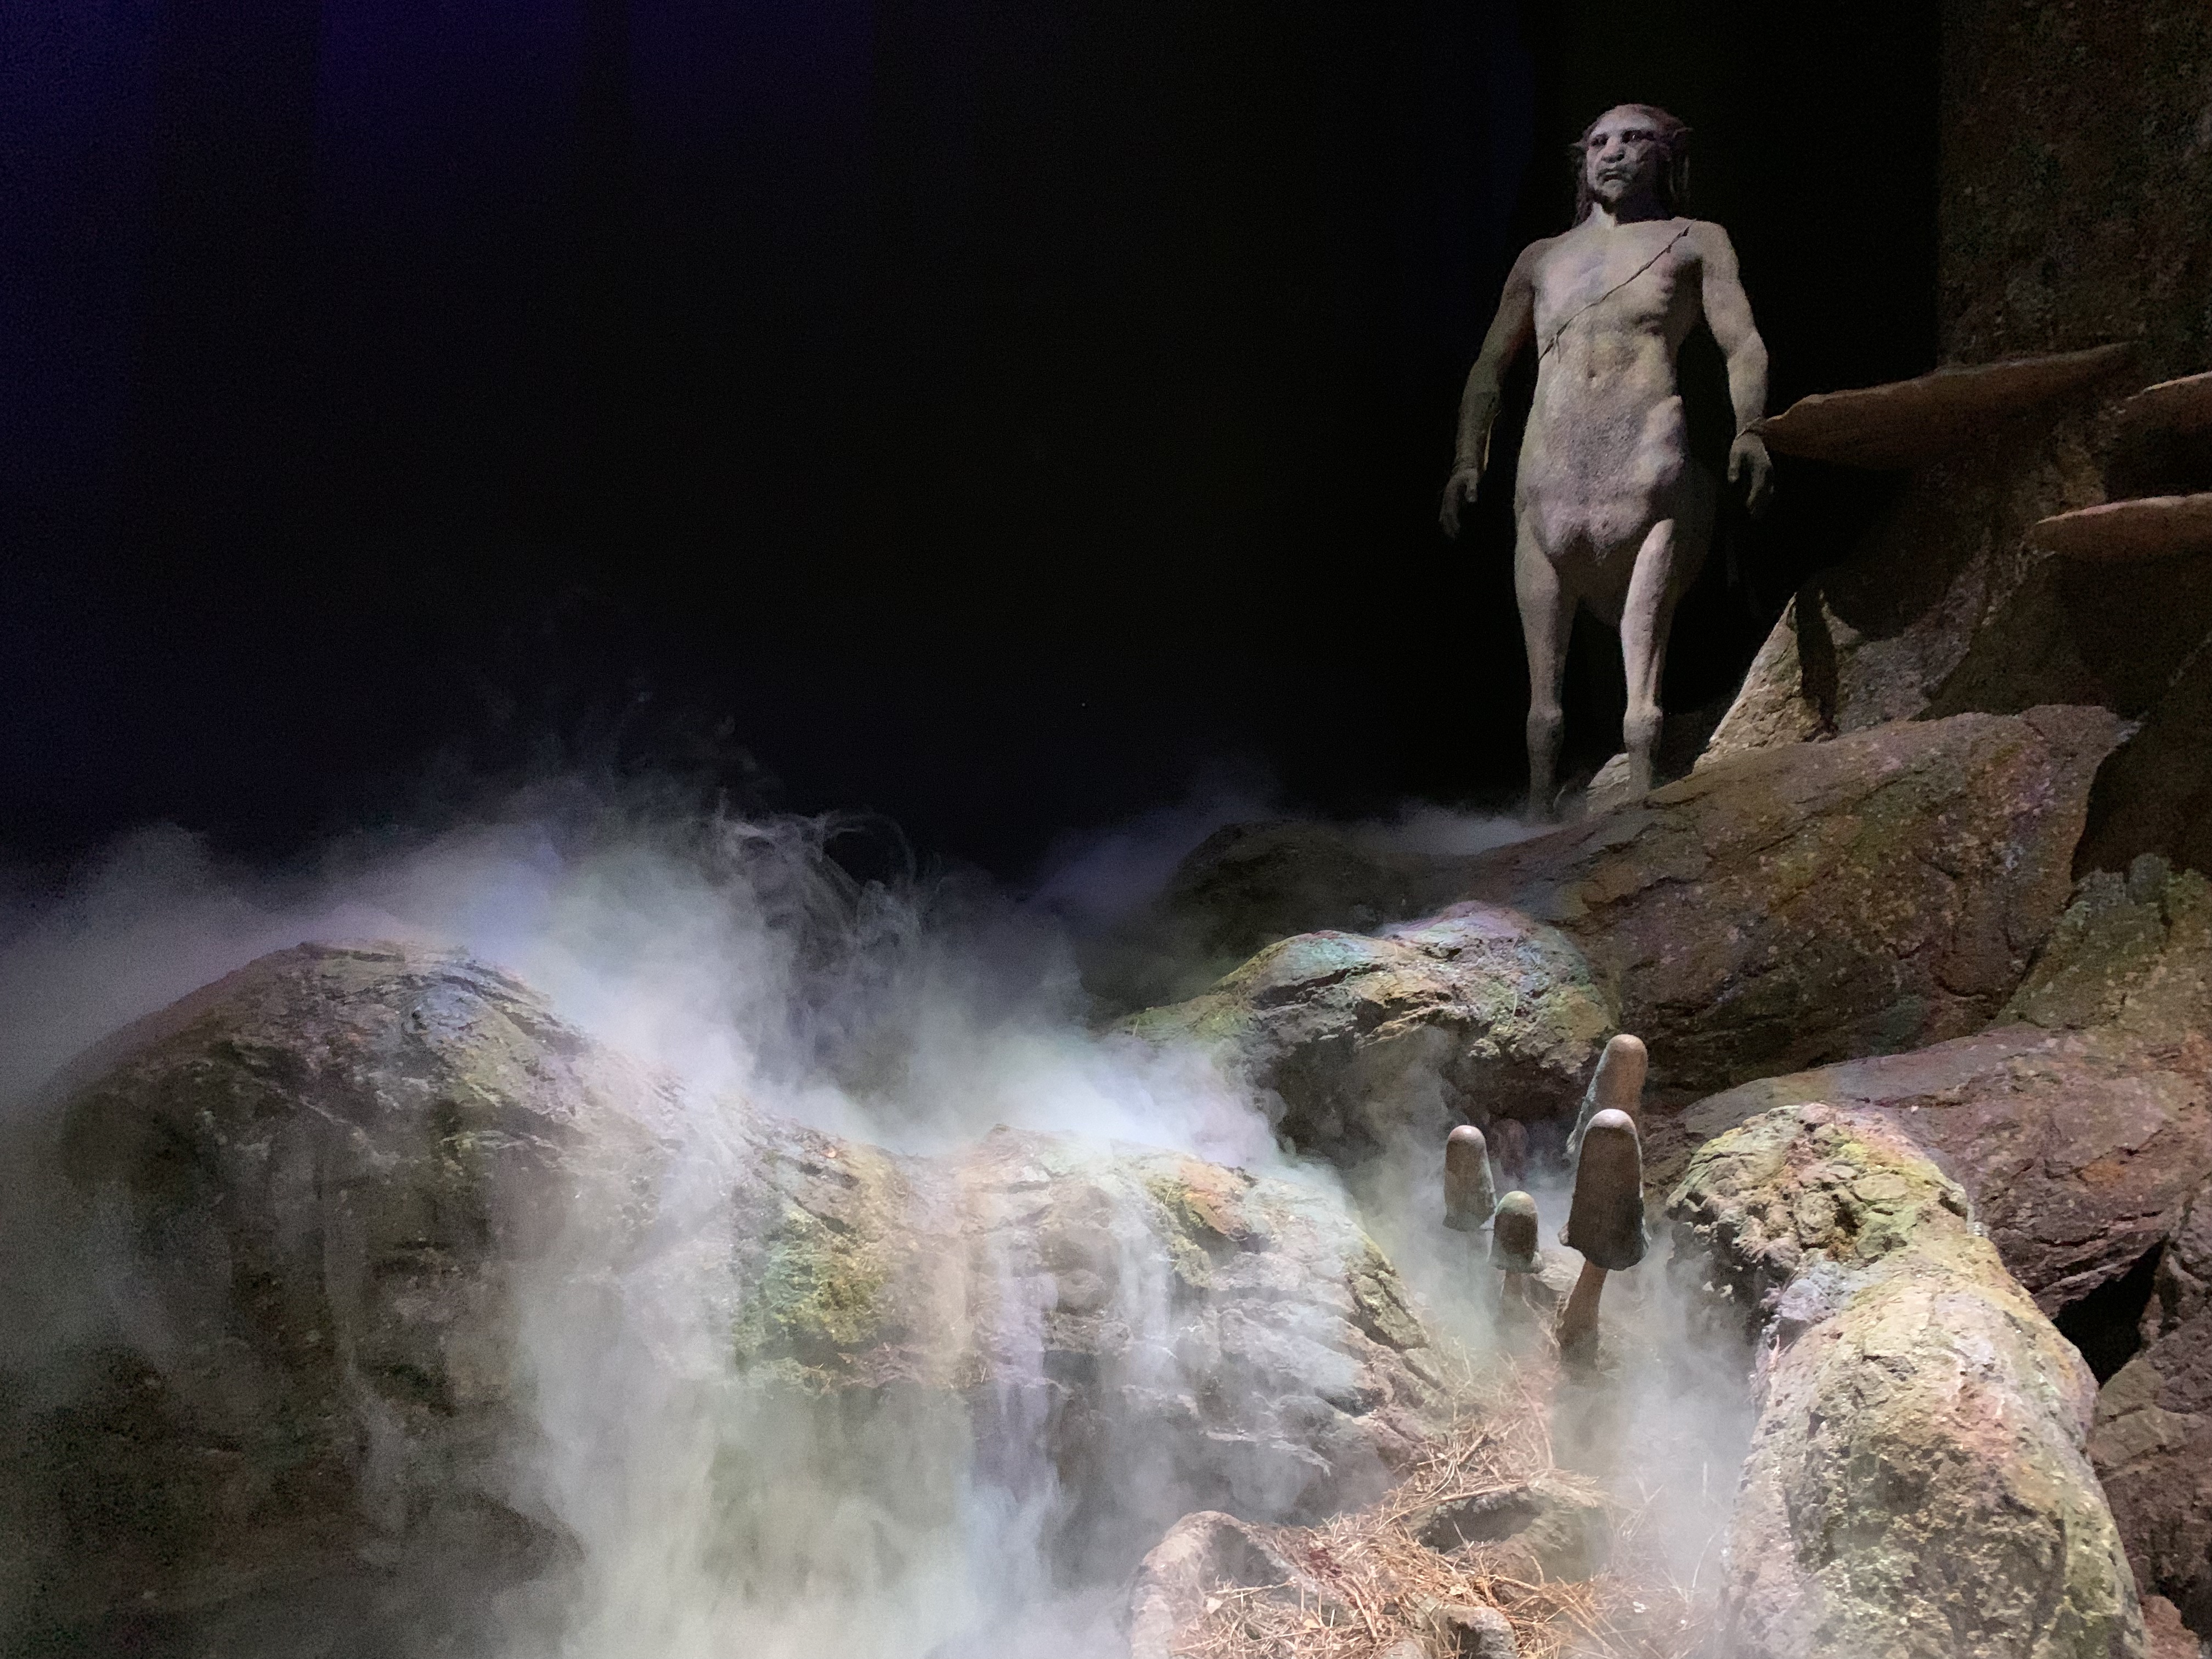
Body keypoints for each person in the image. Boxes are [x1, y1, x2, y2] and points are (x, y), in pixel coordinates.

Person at [1440, 104, 1772, 819]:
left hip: (1645, 463)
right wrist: (1468, 456)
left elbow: (1741, 343)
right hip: (1549, 474)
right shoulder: (1541, 258)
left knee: (1642, 675)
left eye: (1633, 139)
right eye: (1598, 142)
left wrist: (1749, 430)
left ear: (1667, 155)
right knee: (1543, 693)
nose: (1612, 153)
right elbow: (1490, 366)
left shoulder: (1695, 240)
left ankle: (1643, 785)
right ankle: (1537, 803)